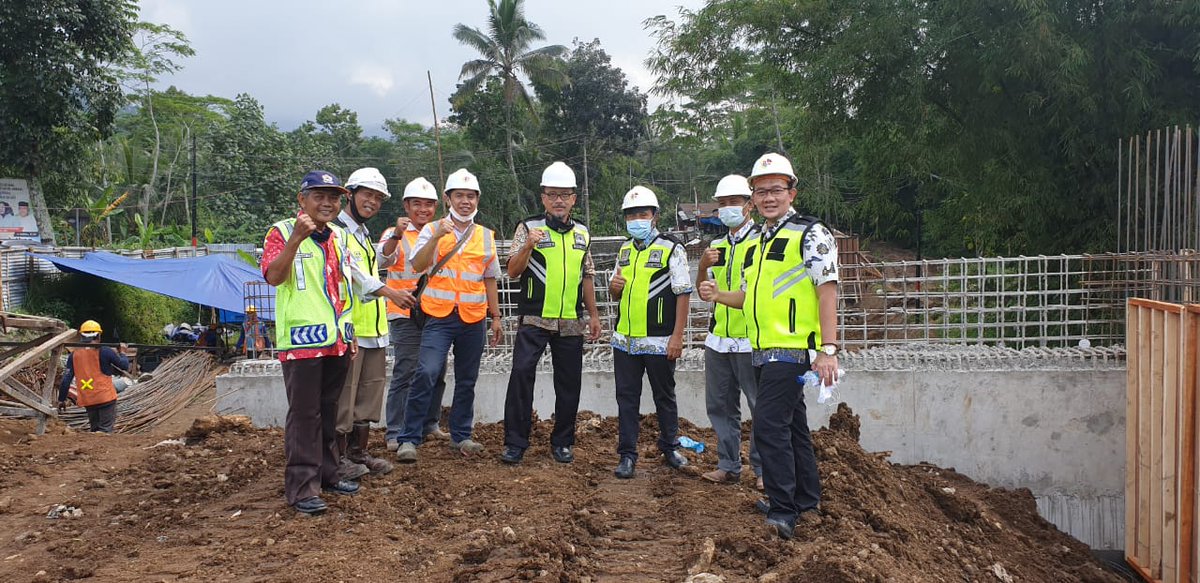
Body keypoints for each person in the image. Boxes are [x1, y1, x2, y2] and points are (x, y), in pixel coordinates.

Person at [699, 152, 841, 540]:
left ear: (792, 191)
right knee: (793, 427)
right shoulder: (762, 238)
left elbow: (826, 290)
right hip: (763, 350)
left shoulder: (810, 233)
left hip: (792, 350)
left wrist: (828, 348)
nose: (768, 197)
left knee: (768, 426)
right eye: (761, 191)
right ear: (753, 198)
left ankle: (782, 509)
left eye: (776, 189)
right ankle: (806, 499)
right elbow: (750, 297)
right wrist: (718, 295)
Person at [261, 170, 415, 516]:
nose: (327, 203)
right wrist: (296, 241)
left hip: (337, 342)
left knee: (329, 412)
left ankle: (329, 473)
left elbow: (354, 284)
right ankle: (302, 487)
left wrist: (352, 333)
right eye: (319, 196)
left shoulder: (341, 240)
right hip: (301, 343)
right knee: (304, 415)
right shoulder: (282, 232)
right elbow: (273, 276)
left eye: (333, 197)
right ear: (302, 200)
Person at [395, 168, 503, 463]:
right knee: (427, 372)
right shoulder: (432, 229)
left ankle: (461, 435)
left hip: (473, 317)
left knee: (467, 378)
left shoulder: (485, 236)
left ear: (477, 199)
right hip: (439, 317)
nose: (465, 202)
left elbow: (490, 278)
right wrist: (436, 238)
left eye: (470, 196)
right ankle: (408, 437)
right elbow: (417, 265)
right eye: (459, 196)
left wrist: (496, 316)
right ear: (448, 199)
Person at [500, 162, 602, 465]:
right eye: (553, 194)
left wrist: (593, 315)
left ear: (574, 198)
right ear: (543, 197)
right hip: (534, 318)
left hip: (571, 320)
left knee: (569, 383)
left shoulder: (582, 232)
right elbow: (512, 271)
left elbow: (588, 274)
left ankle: (563, 442)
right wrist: (527, 247)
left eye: (565, 195)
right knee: (521, 375)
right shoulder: (528, 227)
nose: (559, 200)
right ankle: (515, 443)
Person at [608, 186, 692, 479]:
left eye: (642, 214)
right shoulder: (625, 249)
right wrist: (613, 289)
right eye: (631, 215)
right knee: (626, 399)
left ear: (654, 216)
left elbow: (683, 293)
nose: (636, 220)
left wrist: (677, 336)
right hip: (625, 342)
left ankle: (670, 447)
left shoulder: (671, 248)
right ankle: (627, 455)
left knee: (664, 396)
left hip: (659, 341)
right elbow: (615, 290)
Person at [696, 174, 763, 488]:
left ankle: (765, 471)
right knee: (720, 406)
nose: (727, 209)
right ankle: (729, 465)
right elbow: (704, 291)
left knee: (760, 406)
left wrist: (719, 295)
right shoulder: (717, 246)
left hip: (751, 340)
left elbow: (751, 295)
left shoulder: (761, 242)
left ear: (749, 205)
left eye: (733, 202)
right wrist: (701, 265)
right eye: (721, 204)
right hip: (719, 340)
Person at [331, 168, 396, 480]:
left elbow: (378, 262)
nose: (373, 202)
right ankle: (336, 457)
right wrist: (388, 291)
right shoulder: (336, 231)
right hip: (350, 331)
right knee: (344, 395)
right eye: (367, 195)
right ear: (350, 194)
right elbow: (356, 275)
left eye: (378, 198)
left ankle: (358, 452)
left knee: (368, 396)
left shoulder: (363, 234)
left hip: (373, 330)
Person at [378, 177, 450, 453]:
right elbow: (383, 259)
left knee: (436, 370)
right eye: (416, 204)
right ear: (406, 206)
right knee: (406, 370)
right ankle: (395, 431)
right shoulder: (396, 233)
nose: (423, 209)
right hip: (404, 311)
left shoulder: (440, 231)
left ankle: (429, 424)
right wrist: (396, 234)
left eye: (428, 204)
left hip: (435, 311)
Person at [57, 320, 130, 433]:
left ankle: (92, 450)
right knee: (105, 432)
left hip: (88, 400)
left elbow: (66, 379)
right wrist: (123, 352)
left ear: (81, 336)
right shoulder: (105, 351)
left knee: (94, 430)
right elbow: (124, 366)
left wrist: (61, 399)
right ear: (98, 335)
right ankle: (102, 450)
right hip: (105, 398)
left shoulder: (74, 355)